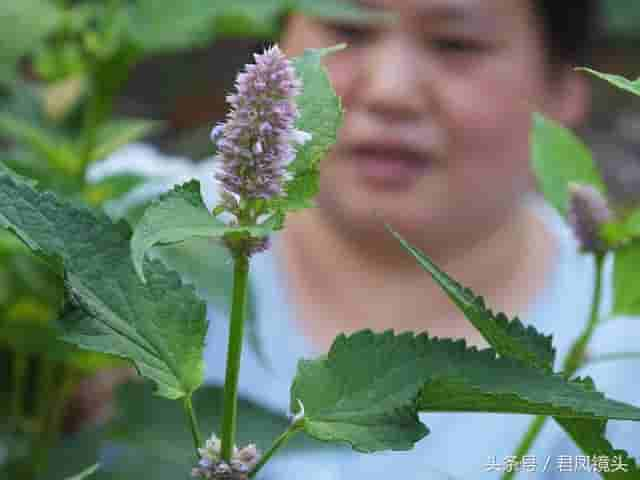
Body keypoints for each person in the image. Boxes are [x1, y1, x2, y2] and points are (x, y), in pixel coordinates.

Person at [199, 0, 640, 479]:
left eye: (455, 43)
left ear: (565, 88)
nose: (391, 91)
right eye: (349, 28)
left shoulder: (621, 361)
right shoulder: (136, 233)